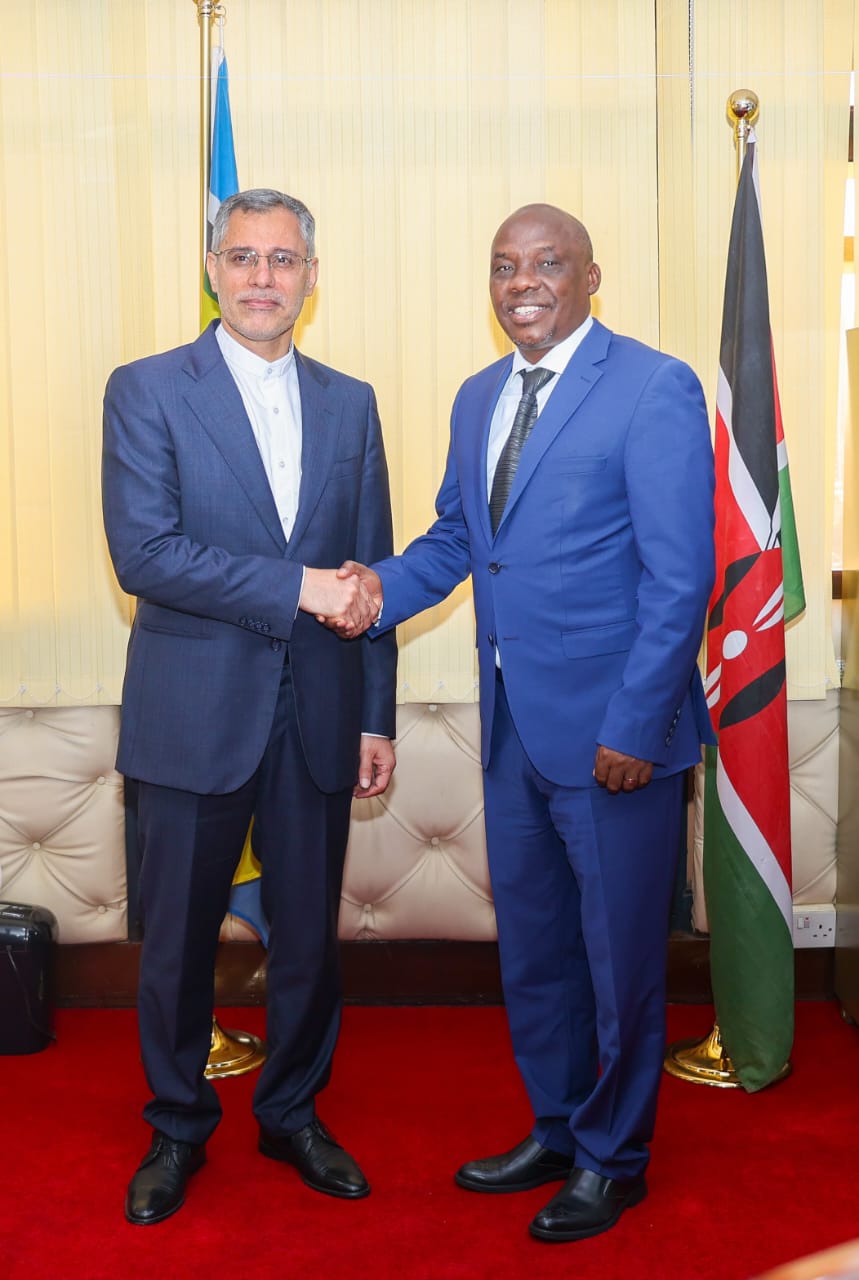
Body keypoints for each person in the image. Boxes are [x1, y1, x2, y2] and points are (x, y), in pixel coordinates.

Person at [330, 204, 715, 1243]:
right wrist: (371, 589)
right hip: (513, 729)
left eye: (547, 263)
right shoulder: (478, 396)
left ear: (592, 277)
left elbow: (681, 576)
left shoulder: (653, 386)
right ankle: (556, 1126)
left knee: (619, 960)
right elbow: (460, 539)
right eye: (504, 266)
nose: (523, 282)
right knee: (537, 953)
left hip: (613, 739)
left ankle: (613, 1159)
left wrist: (637, 722)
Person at [102, 188, 397, 1226]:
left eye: (282, 259)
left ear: (310, 276)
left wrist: (375, 715)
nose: (262, 277)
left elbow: (368, 571)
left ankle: (291, 1113)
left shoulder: (351, 402)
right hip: (191, 712)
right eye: (242, 256)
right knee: (178, 943)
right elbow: (146, 555)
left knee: (308, 939)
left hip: (318, 712)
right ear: (212, 270)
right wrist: (297, 588)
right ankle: (177, 1124)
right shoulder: (146, 389)